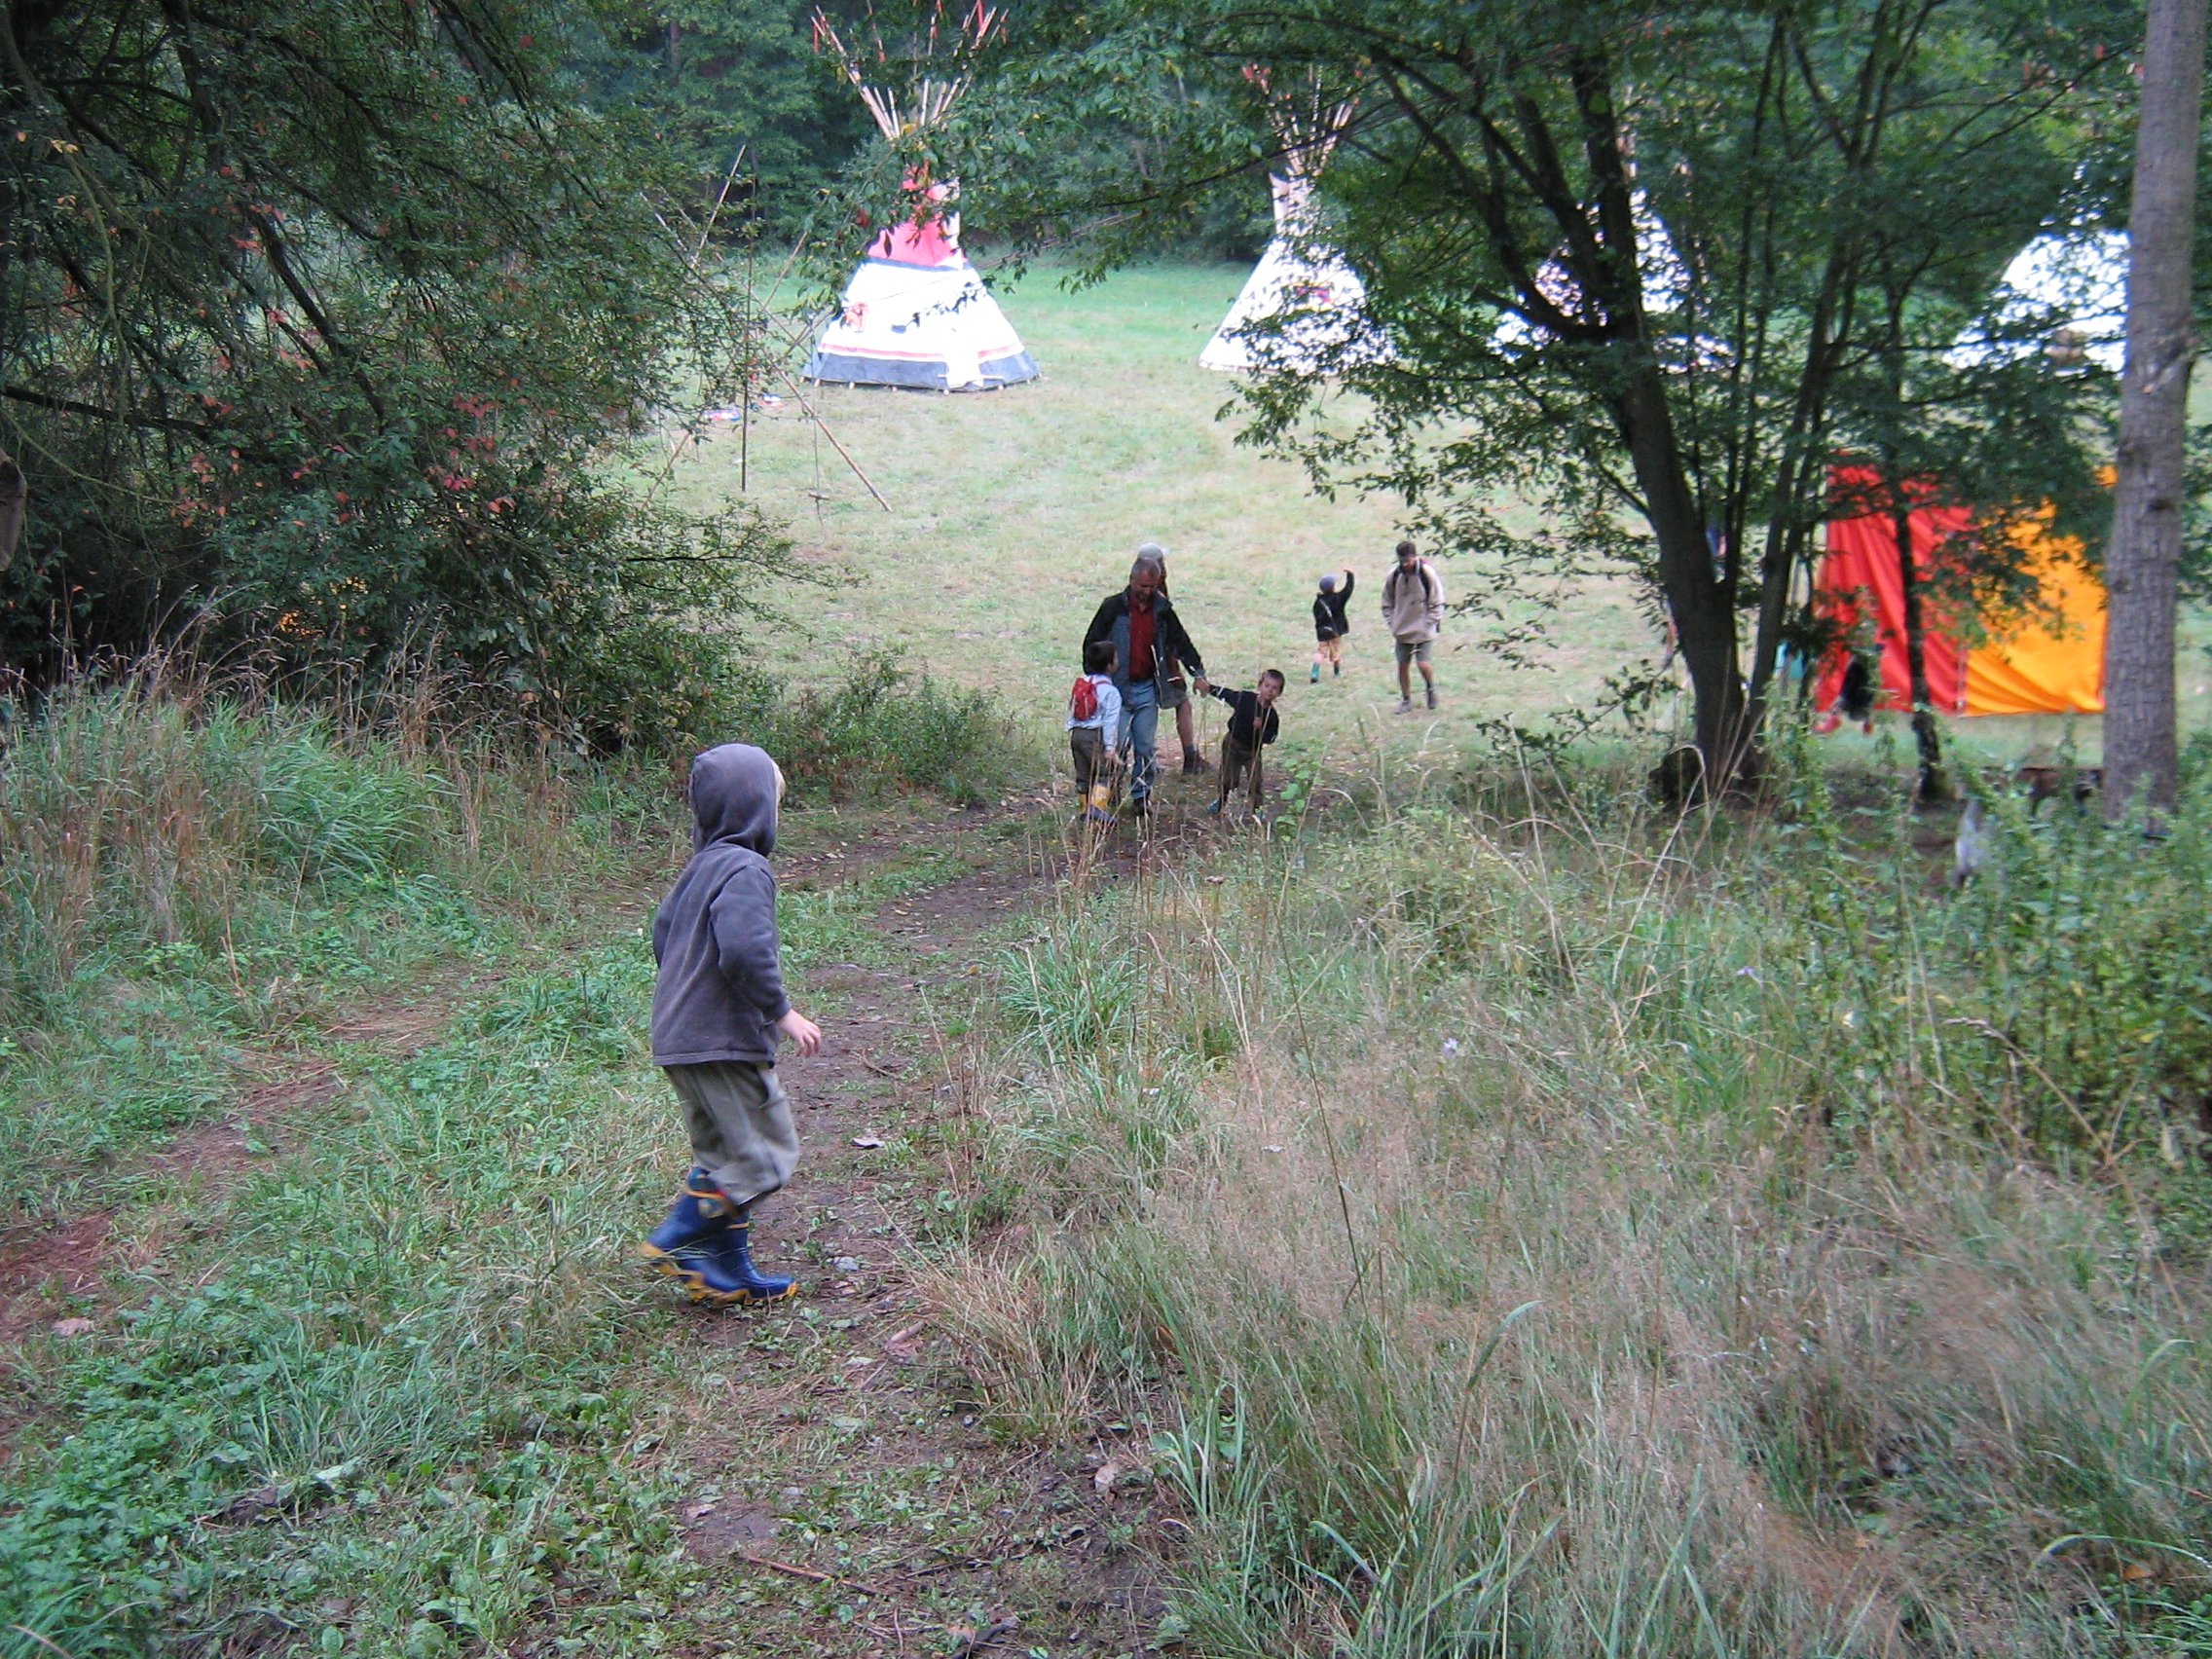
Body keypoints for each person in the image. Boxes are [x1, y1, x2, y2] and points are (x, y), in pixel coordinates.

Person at [641, 743, 824, 1307]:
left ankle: (724, 1264)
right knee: (764, 1156)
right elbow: (745, 949)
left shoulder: (698, 869)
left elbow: (662, 937)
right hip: (722, 1042)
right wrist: (781, 1011)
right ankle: (678, 1237)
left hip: (680, 1041)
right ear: (757, 808)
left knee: (721, 1156)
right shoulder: (747, 868)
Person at [1084, 551, 1207, 815]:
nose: (1147, 592)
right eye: (1142, 586)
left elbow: (1180, 641)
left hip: (1146, 688)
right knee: (1115, 746)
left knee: (1146, 747)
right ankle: (1110, 794)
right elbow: (1091, 643)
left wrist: (1198, 673)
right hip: (1115, 691)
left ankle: (1141, 798)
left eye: (1151, 587)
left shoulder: (1162, 610)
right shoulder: (1112, 607)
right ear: (1131, 581)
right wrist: (1096, 679)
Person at [1140, 541, 1211, 774]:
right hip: (1160, 665)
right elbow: (1170, 638)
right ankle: (1189, 757)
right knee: (1180, 703)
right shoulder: (1157, 597)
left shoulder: (1139, 590)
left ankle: (1146, 761)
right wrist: (1176, 671)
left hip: (1144, 664)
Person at [1195, 669, 1284, 816]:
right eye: (1267, 686)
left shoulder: (1271, 715)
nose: (1270, 690)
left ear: (1279, 692)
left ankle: (1257, 809)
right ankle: (1222, 799)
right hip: (1233, 744)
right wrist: (1209, 688)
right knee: (1228, 777)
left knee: (1255, 781)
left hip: (1253, 750)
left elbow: (1271, 738)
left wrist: (1261, 730)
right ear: (1260, 686)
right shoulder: (1246, 699)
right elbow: (1228, 695)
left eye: (1275, 688)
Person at [1381, 539, 1445, 713]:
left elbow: (1437, 601)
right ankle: (1406, 700)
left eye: (1408, 561)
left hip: (1424, 629)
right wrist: (1393, 622)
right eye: (1402, 561)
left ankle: (1430, 689)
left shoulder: (1427, 574)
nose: (1405, 564)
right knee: (1403, 665)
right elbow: (1386, 602)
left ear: (1415, 557)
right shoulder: (1394, 576)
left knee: (1423, 663)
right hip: (1402, 629)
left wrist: (1430, 622)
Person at [1067, 640, 1124, 822]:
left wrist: (1070, 727)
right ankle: (1096, 808)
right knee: (1107, 772)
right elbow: (1110, 721)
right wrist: (1110, 747)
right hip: (1094, 735)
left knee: (1083, 775)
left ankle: (1085, 811)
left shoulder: (1082, 683)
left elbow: (1072, 706)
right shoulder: (1110, 691)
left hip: (1077, 734)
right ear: (1110, 665)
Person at [1311, 569, 1354, 682]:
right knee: (1336, 650)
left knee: (1321, 651)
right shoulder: (1338, 598)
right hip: (1335, 630)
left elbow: (1316, 616)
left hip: (1322, 631)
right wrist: (1350, 576)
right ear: (1332, 587)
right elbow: (1348, 590)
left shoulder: (1318, 602)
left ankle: (1315, 672)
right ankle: (1337, 672)